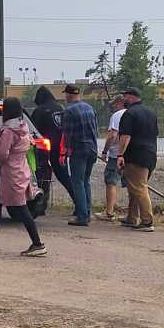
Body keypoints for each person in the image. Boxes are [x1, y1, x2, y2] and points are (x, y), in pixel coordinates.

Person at [0, 97, 47, 257]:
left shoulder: (8, 131)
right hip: (20, 169)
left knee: (21, 208)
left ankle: (37, 244)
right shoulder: (23, 126)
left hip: (11, 173)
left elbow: (1, 153)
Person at [116, 86, 159, 232]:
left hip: (135, 155)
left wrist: (120, 154)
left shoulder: (129, 113)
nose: (124, 99)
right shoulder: (151, 113)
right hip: (150, 154)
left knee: (139, 188)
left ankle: (147, 221)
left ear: (132, 97)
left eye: (125, 96)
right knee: (134, 187)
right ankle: (132, 217)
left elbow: (125, 136)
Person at [61, 84, 99, 226]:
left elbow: (67, 134)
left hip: (78, 150)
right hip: (92, 148)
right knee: (86, 181)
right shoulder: (90, 108)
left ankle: (82, 216)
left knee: (77, 181)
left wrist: (64, 151)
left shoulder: (69, 111)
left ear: (68, 95)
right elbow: (95, 130)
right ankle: (87, 212)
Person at [30, 86, 74, 202]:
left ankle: (41, 204)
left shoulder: (40, 110)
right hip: (60, 147)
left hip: (44, 150)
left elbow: (33, 130)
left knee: (43, 178)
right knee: (65, 177)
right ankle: (78, 202)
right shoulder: (60, 108)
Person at [96, 94, 127, 221]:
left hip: (116, 154)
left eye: (114, 104)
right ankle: (134, 213)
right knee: (131, 184)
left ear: (120, 103)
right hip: (129, 154)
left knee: (111, 182)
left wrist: (105, 151)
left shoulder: (117, 115)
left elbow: (112, 135)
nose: (113, 106)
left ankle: (109, 212)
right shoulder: (132, 113)